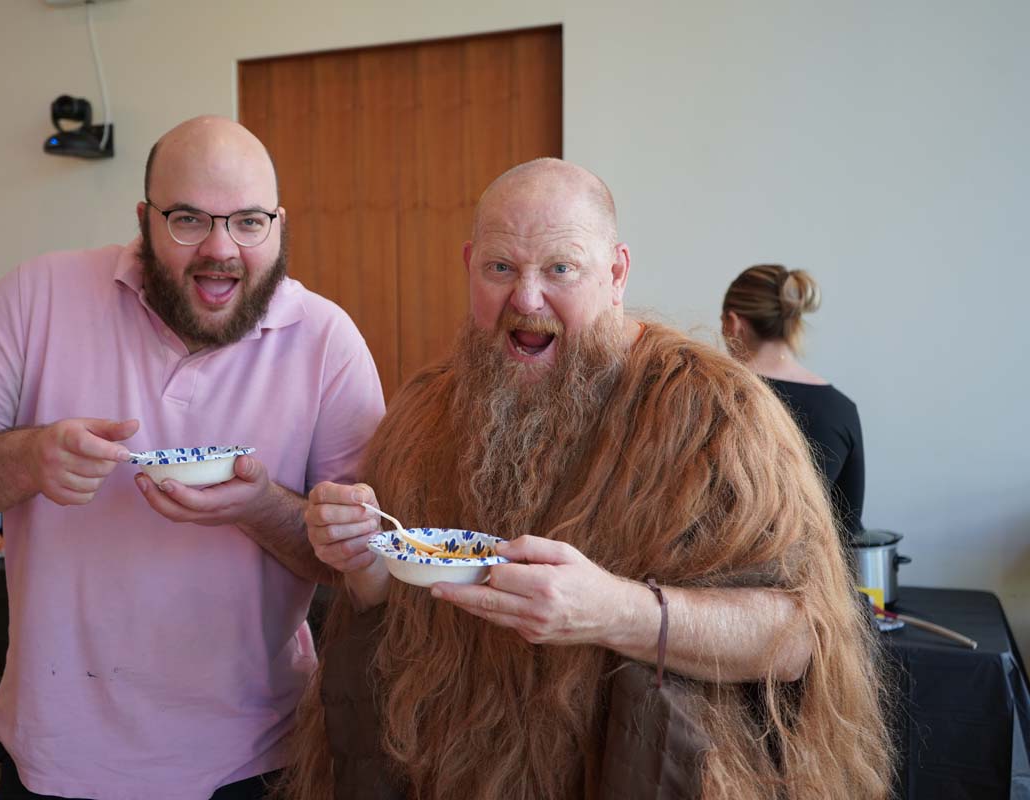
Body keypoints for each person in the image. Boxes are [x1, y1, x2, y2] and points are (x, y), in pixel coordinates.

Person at [285, 159, 891, 799]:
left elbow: (799, 635)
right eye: (500, 268)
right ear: (470, 265)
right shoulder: (422, 413)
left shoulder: (717, 416)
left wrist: (616, 611)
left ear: (617, 272)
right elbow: (386, 610)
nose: (525, 298)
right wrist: (360, 556)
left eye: (560, 269)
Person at [0, 117, 385, 800]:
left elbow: (359, 562)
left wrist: (261, 507)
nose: (222, 249)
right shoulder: (35, 297)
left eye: (249, 222)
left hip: (253, 761)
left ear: (279, 224)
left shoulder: (326, 340)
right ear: (144, 219)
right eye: (188, 219)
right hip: (52, 758)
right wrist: (28, 458)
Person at [722, 264, 866, 538]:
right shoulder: (841, 409)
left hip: (714, 576)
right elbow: (848, 529)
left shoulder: (714, 395)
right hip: (809, 578)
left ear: (733, 323)